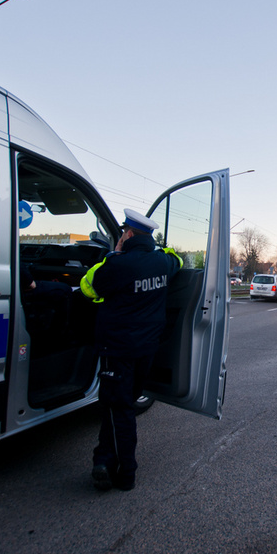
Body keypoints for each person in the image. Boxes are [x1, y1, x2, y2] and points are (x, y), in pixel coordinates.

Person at [80, 209, 183, 491]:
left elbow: (88, 288)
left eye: (123, 232)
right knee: (117, 406)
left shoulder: (117, 265)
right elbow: (177, 258)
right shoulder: (163, 262)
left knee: (119, 407)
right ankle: (102, 461)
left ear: (127, 234)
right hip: (146, 349)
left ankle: (126, 474)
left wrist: (112, 255)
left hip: (118, 349)